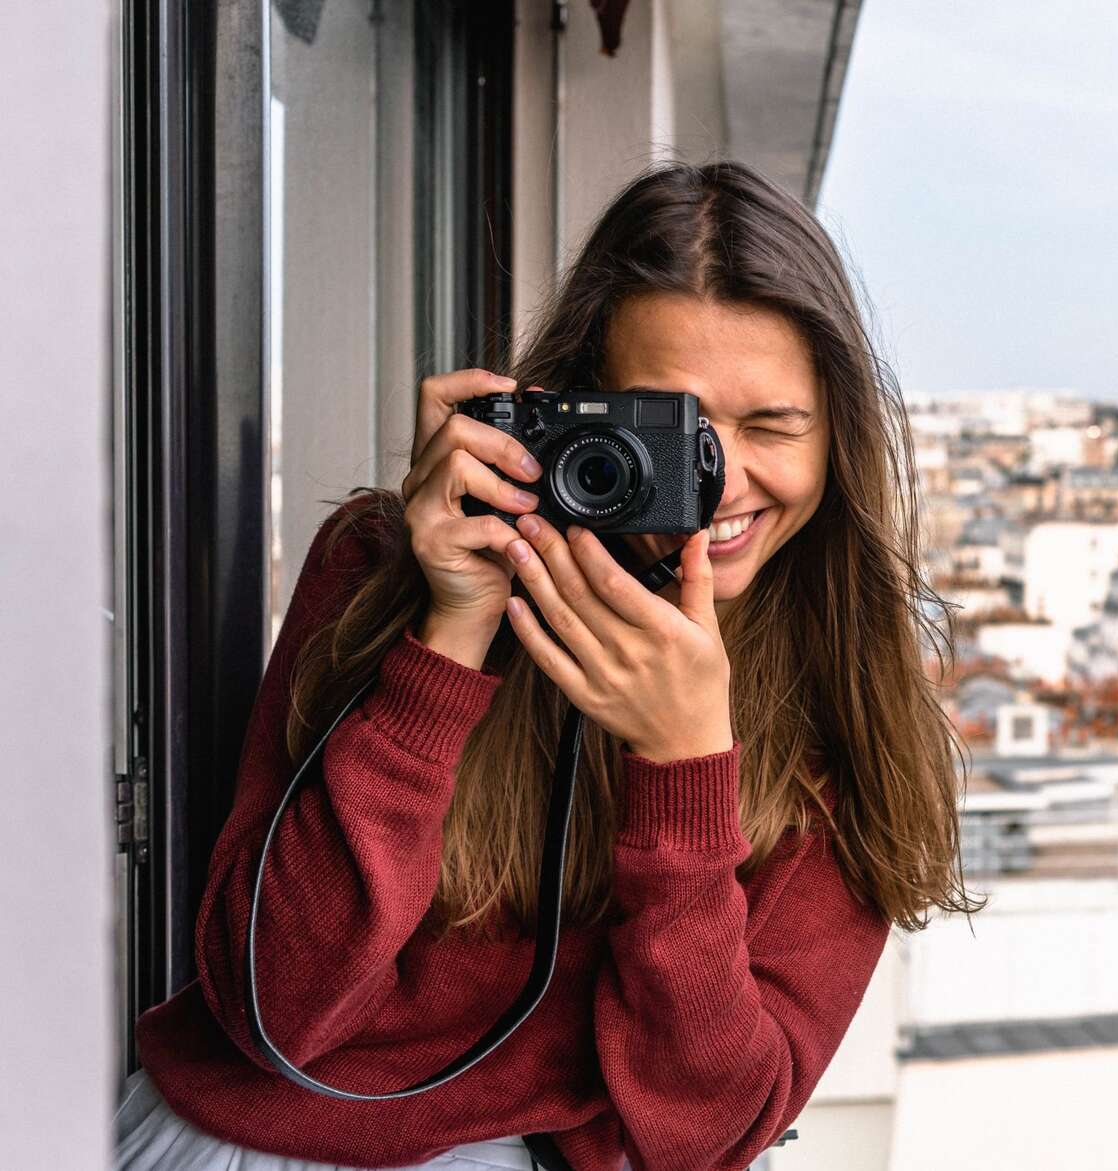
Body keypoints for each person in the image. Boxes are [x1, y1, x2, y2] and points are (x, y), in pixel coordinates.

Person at [118, 161, 982, 1171]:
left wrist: (685, 771)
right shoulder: (380, 564)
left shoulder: (847, 715)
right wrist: (446, 632)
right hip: (242, 1145)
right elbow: (278, 1007)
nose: (719, 481)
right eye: (673, 430)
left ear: (836, 438)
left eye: (770, 428)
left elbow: (709, 1133)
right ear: (569, 408)